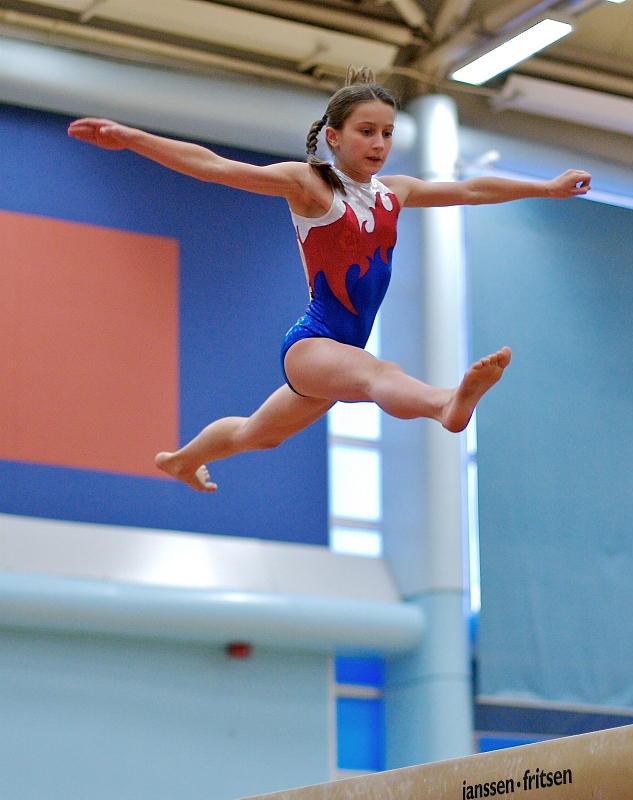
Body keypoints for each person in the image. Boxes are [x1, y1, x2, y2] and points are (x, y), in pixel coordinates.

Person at [67, 68, 591, 495]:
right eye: (367, 131)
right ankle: (445, 403)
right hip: (314, 343)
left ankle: (180, 460)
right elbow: (215, 167)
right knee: (375, 372)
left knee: (258, 435)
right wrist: (132, 138)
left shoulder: (395, 191)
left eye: (387, 133)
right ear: (334, 137)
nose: (379, 143)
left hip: (339, 353)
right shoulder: (311, 185)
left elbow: (472, 189)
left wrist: (545, 188)